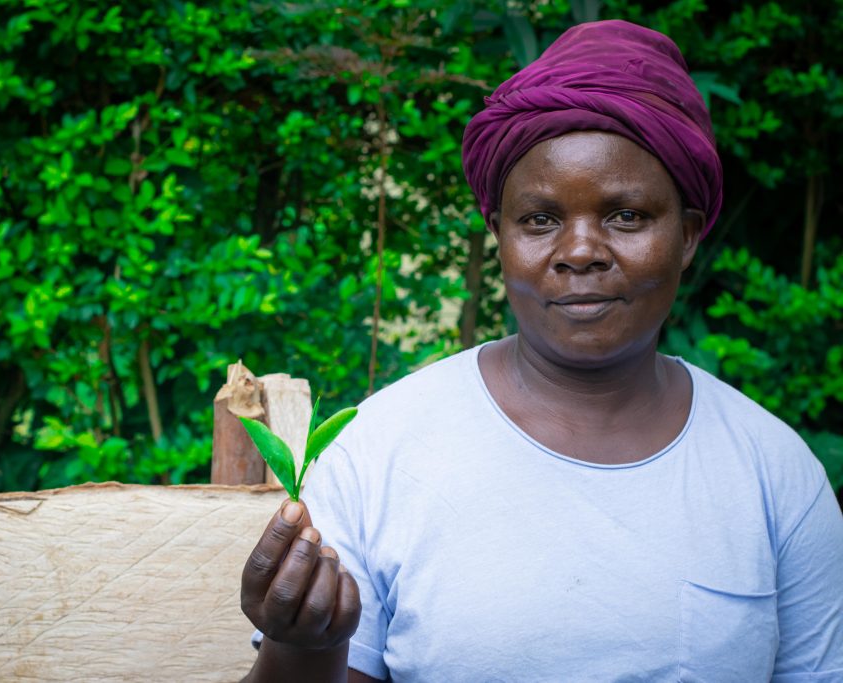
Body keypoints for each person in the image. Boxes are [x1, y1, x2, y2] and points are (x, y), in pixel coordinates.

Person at [239, 20, 843, 682]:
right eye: (539, 220)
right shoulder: (381, 453)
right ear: (498, 233)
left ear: (689, 235)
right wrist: (302, 646)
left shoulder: (774, 476)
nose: (580, 250)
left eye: (627, 216)